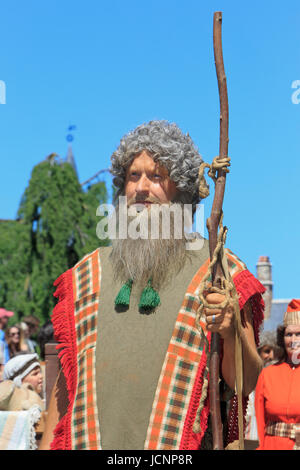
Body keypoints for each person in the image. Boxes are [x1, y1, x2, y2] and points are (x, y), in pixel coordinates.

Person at [40, 120, 265, 450]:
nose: (141, 188)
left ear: (182, 190)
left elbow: (247, 382)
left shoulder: (218, 269)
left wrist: (230, 332)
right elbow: (66, 391)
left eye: (156, 176)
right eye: (133, 176)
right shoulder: (86, 274)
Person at [255, 299, 300, 450]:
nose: (293, 340)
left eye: (298, 334)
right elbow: (260, 421)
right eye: (289, 334)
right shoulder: (267, 374)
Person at [244, 330, 281, 443]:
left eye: (275, 351)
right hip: (245, 438)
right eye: (267, 351)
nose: (271, 356)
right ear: (257, 352)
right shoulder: (247, 377)